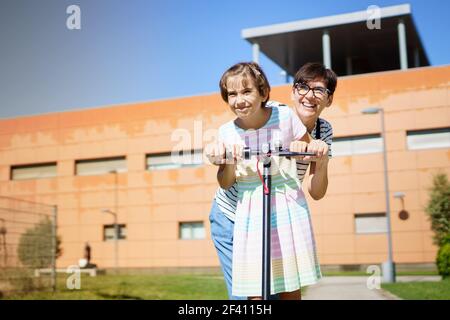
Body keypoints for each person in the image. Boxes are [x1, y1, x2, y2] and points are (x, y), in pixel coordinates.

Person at [207, 62, 337, 300]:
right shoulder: (264, 113)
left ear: (329, 99)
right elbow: (224, 176)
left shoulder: (316, 129)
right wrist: (222, 156)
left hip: (280, 209)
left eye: (319, 90)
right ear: (292, 92)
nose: (309, 95)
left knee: (285, 284)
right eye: (303, 87)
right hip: (235, 213)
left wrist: (318, 155)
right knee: (249, 294)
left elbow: (316, 189)